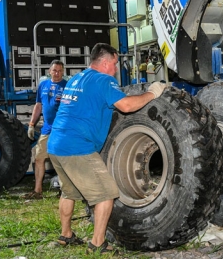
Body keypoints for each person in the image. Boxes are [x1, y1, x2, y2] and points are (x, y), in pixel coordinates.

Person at [47, 43, 166, 253]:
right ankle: (98, 244)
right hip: (77, 147)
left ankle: (65, 235)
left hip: (56, 144)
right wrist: (152, 94)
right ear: (104, 62)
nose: (116, 68)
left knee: (69, 192)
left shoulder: (76, 78)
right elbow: (126, 106)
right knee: (106, 194)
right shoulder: (104, 80)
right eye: (114, 63)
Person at [22, 60, 67, 200]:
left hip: (62, 128)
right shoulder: (43, 85)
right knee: (39, 157)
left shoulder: (67, 86)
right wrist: (31, 124)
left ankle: (64, 190)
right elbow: (38, 106)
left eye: (60, 71)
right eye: (54, 71)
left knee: (61, 159)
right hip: (47, 128)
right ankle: (38, 190)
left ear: (63, 72)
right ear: (49, 71)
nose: (57, 73)